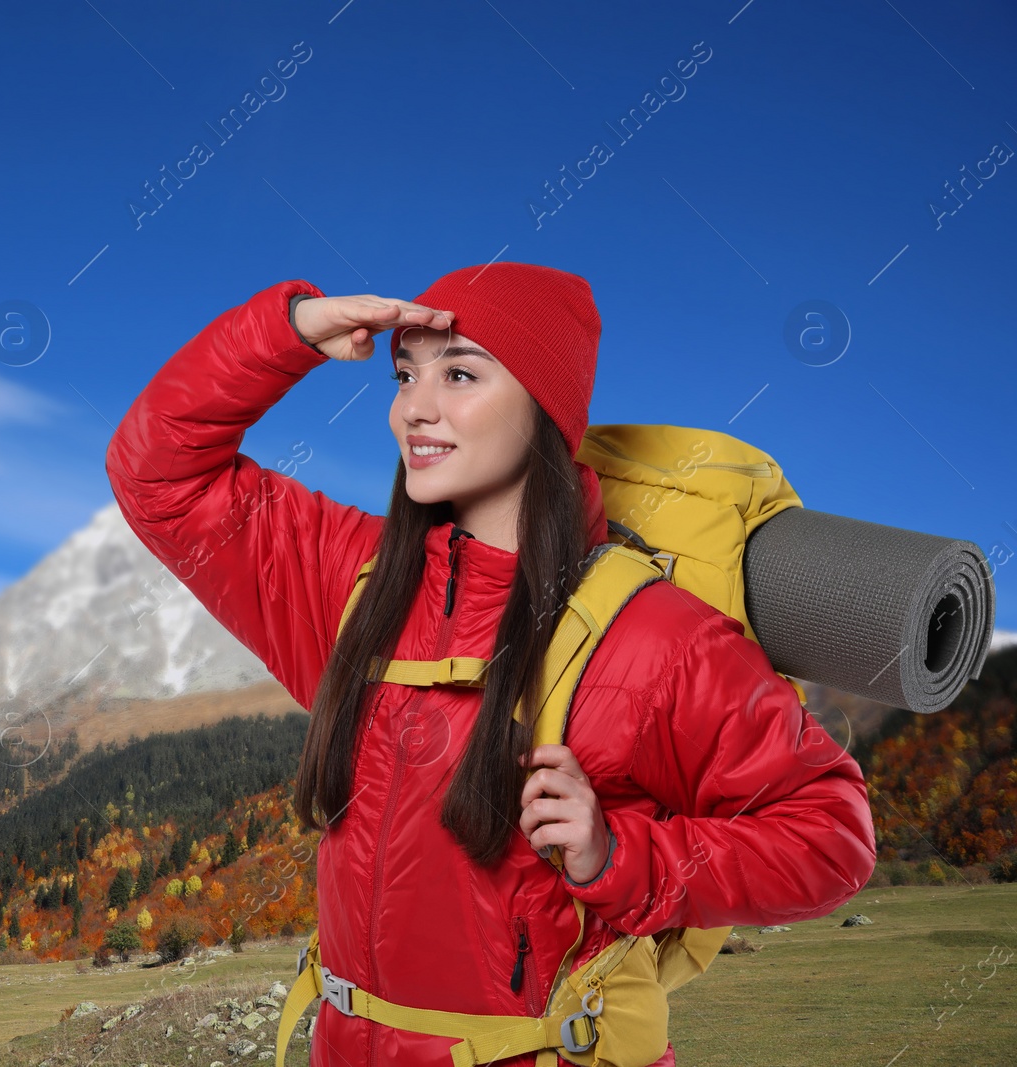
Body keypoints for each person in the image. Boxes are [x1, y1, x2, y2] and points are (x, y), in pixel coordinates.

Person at [103, 263, 876, 1067]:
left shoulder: (656, 637)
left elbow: (832, 836)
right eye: (405, 375)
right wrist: (285, 331)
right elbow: (156, 474)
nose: (415, 408)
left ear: (543, 408)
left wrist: (621, 856)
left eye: (460, 373)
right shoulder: (352, 584)